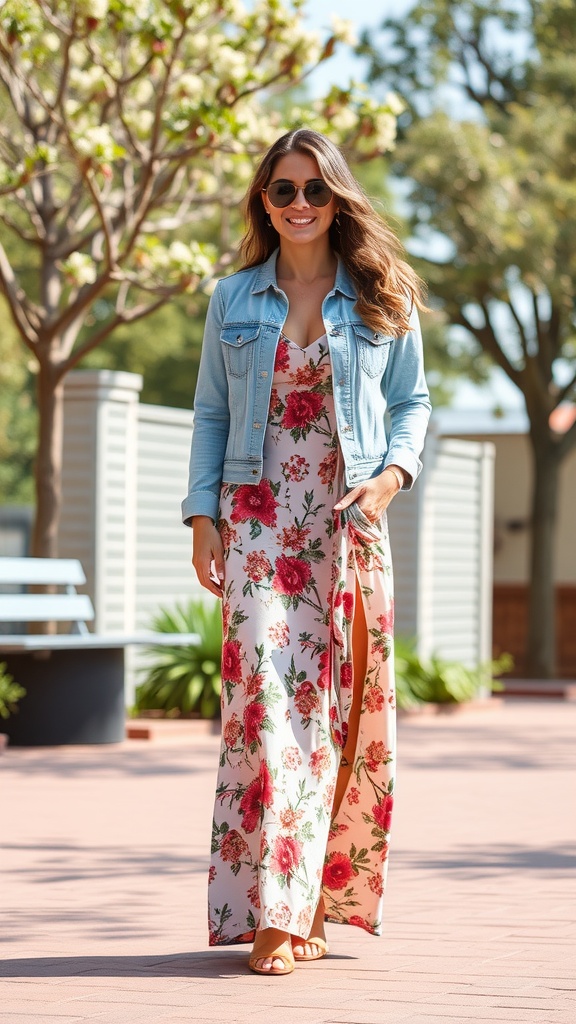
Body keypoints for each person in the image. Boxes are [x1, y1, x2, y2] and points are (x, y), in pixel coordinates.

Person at [181, 128, 431, 976]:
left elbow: (413, 403)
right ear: (264, 201)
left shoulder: (378, 294)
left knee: (336, 711)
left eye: (314, 191)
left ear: (337, 200)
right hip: (252, 518)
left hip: (345, 525)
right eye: (282, 190)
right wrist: (201, 517)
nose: (297, 205)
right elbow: (211, 411)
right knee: (265, 707)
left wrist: (394, 476)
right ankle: (271, 913)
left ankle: (315, 901)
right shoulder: (234, 298)